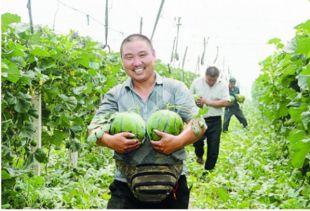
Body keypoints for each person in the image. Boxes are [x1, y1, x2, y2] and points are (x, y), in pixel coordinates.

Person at [88, 34, 207, 209]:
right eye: (129, 57)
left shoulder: (175, 89)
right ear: (122, 61)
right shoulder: (115, 94)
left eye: (142, 55)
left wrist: (178, 142)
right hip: (125, 186)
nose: (136, 62)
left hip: (172, 184)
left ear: (153, 55)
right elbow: (93, 130)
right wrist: (110, 141)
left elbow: (199, 125)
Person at [190, 66, 230, 173]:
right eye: (209, 79)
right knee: (197, 141)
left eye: (214, 80)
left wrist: (207, 101)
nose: (211, 82)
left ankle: (208, 171)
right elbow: (188, 98)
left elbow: (226, 102)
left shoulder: (223, 84)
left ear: (217, 77)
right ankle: (199, 155)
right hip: (199, 119)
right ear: (205, 76)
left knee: (213, 149)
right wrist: (195, 103)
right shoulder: (196, 82)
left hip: (215, 120)